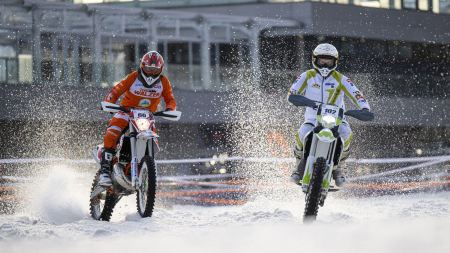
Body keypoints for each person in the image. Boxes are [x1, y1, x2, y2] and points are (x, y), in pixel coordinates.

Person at [288, 43, 371, 187]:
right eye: (322, 60)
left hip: (337, 121)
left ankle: (339, 168)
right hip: (313, 120)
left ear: (335, 62)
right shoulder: (307, 76)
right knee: (301, 133)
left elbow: (357, 95)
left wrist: (364, 108)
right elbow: (292, 93)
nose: (325, 63)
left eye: (329, 60)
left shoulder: (342, 79)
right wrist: (303, 100)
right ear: (315, 60)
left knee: (346, 134)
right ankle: (297, 167)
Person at [99, 51, 177, 186]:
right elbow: (117, 89)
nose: (152, 72)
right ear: (142, 66)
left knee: (153, 141)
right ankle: (105, 171)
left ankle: (144, 170)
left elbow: (170, 98)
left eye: (155, 69)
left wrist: (170, 109)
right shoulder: (134, 77)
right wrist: (109, 102)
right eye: (149, 68)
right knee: (113, 132)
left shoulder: (164, 81)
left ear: (161, 69)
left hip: (147, 116)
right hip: (126, 111)